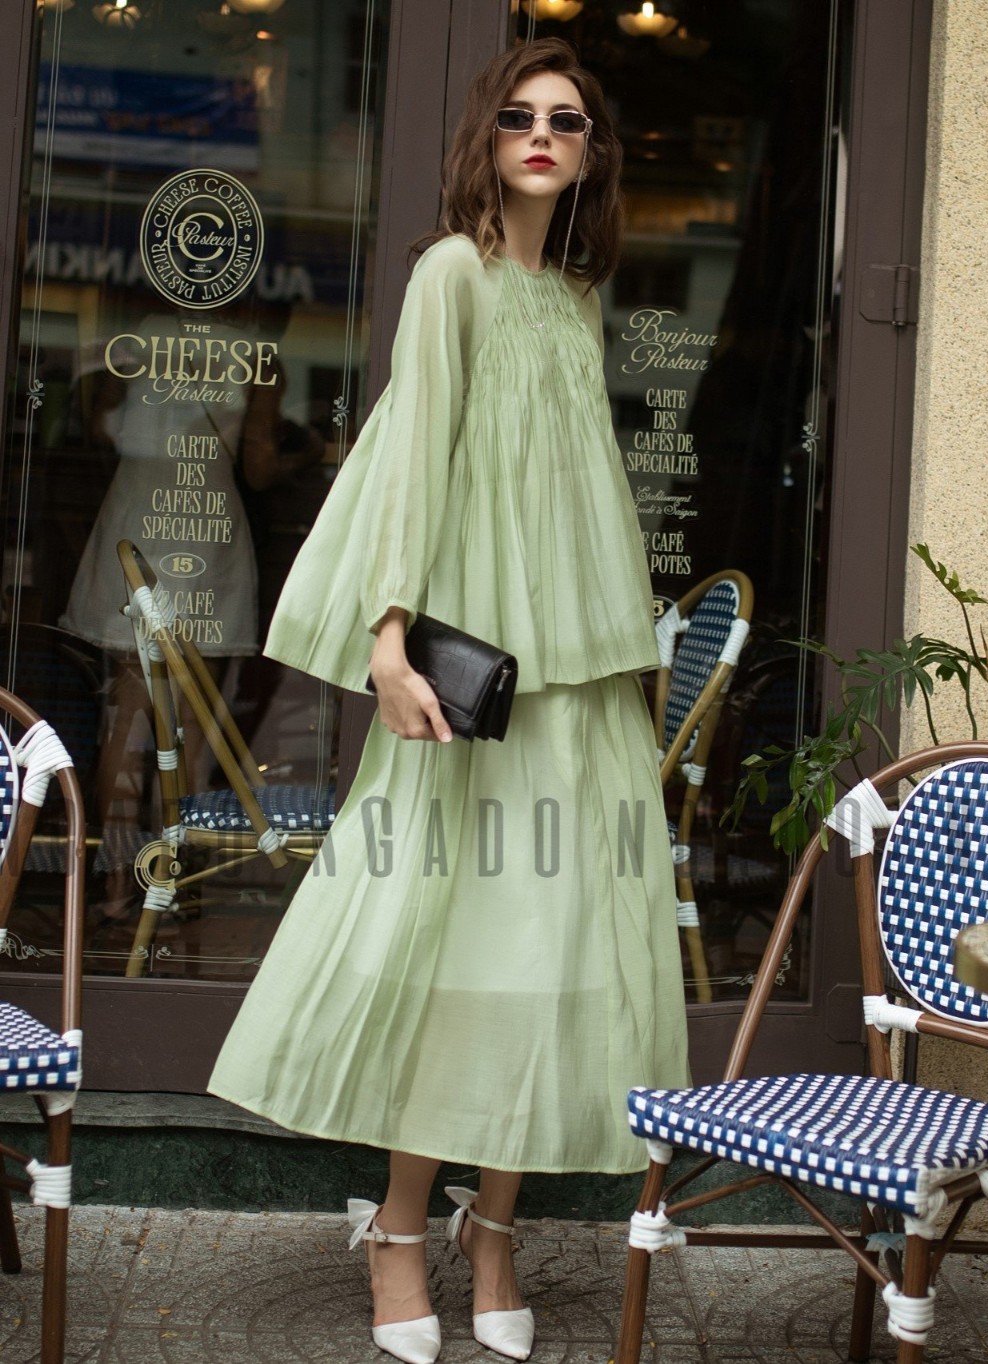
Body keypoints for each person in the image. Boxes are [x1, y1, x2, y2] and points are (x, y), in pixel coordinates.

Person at [209, 38, 689, 1364]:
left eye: (568, 122)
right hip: (474, 683)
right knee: (461, 956)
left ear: (590, 156)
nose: (543, 135)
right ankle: (401, 1229)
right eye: (521, 116)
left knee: (552, 955)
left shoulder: (577, 296)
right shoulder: (449, 276)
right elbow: (412, 460)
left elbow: (578, 490)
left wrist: (620, 651)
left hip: (578, 683)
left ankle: (496, 1231)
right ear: (488, 138)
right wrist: (386, 638)